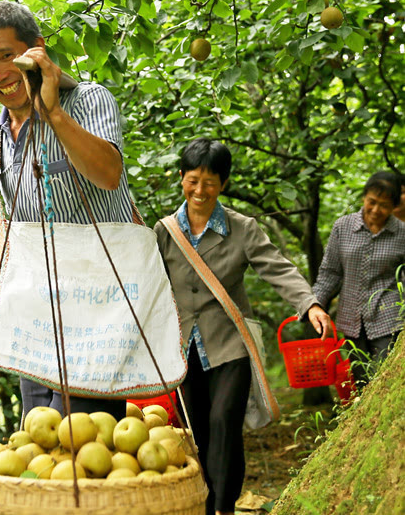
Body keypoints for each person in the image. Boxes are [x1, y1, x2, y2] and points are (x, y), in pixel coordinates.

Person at [0, 1, 134, 421]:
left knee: (83, 437)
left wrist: (52, 112)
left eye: (7, 56)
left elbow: (108, 175)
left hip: (99, 312)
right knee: (40, 439)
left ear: (36, 49)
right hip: (37, 318)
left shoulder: (88, 100)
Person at [153, 138, 330, 515]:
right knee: (199, 429)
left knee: (224, 421)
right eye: (194, 180)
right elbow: (147, 282)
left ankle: (222, 505)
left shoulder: (242, 228)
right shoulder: (164, 232)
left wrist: (309, 303)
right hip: (183, 347)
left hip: (230, 344)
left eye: (211, 182)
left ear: (224, 183)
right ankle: (207, 502)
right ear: (181, 178)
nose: (201, 190)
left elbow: (277, 268)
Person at [313, 171, 405, 390]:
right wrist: (314, 304)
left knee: (387, 381)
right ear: (364, 197)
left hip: (389, 319)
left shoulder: (402, 233)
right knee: (363, 383)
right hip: (352, 321)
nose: (375, 210)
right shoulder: (343, 227)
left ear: (393, 206)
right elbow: (330, 272)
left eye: (383, 205)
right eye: (371, 202)